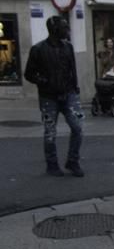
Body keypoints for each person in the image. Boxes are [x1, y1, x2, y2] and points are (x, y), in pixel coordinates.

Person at [24, 15, 84, 177]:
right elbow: (28, 74)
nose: (68, 30)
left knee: (78, 127)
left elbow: (72, 69)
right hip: (48, 98)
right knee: (50, 132)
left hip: (69, 94)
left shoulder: (68, 47)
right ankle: (52, 164)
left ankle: (73, 160)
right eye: (65, 27)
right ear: (55, 30)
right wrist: (44, 82)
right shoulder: (38, 49)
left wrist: (75, 87)